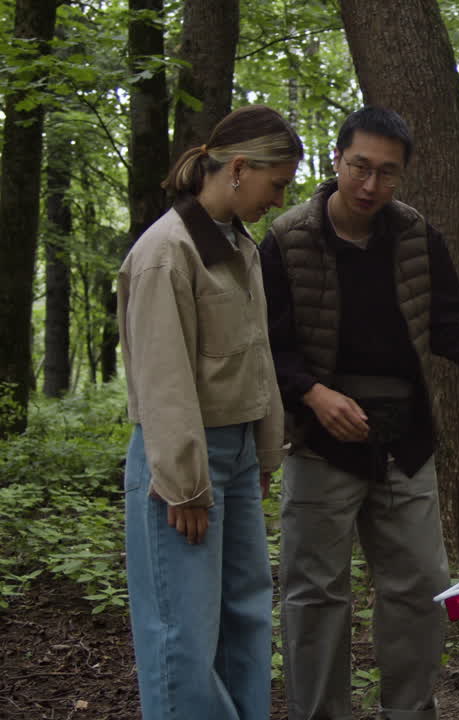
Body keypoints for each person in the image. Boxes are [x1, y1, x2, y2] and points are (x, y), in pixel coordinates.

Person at [261, 106, 459, 720]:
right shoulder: (286, 240)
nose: (371, 185)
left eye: (387, 173)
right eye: (360, 167)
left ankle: (409, 711)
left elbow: (447, 325)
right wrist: (314, 394)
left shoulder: (418, 236)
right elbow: (268, 345)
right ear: (337, 159)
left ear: (403, 175)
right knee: (315, 595)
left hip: (405, 440)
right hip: (320, 441)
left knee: (421, 586)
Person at [118, 105, 303, 719]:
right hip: (185, 467)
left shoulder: (237, 245)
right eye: (276, 183)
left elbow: (256, 355)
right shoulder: (167, 252)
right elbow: (163, 379)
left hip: (239, 457)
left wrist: (265, 452)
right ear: (239, 168)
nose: (278, 200)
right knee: (183, 636)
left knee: (245, 621)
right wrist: (185, 484)